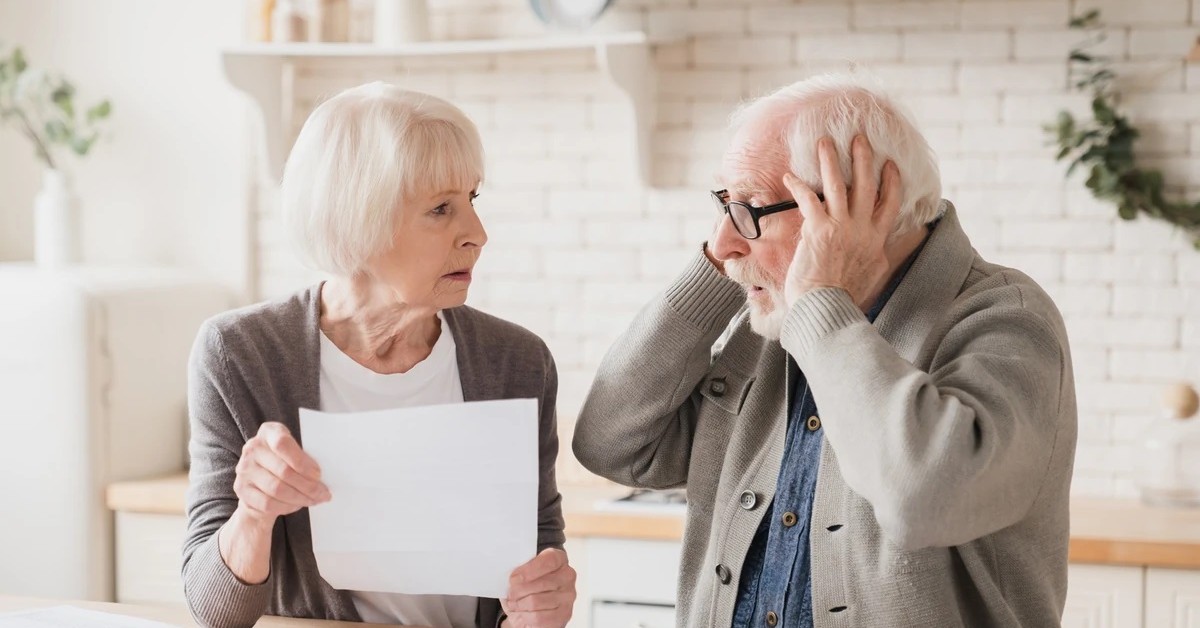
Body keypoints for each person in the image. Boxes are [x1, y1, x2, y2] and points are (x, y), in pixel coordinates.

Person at [573, 73, 1077, 628]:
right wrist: (720, 275)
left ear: (860, 203)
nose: (721, 242)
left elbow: (923, 499)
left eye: (750, 208)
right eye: (724, 203)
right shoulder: (768, 325)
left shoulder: (1006, 319)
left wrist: (821, 305)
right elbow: (610, 445)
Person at [183, 82, 575, 628]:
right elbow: (213, 612)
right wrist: (253, 513)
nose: (477, 234)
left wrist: (541, 609)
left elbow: (535, 566)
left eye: (472, 200)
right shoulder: (240, 355)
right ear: (357, 219)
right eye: (440, 208)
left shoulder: (518, 362)